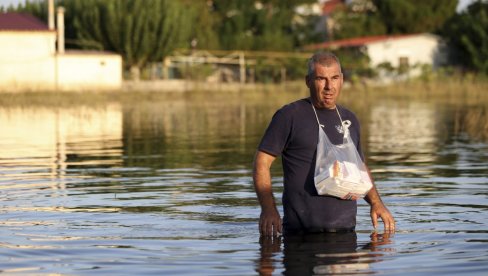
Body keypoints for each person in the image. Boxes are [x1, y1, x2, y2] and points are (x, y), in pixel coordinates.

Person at [253, 52, 395, 236]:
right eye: (321, 79)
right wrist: (268, 209)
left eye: (335, 78)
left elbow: (360, 167)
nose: (329, 86)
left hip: (346, 235)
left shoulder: (349, 119)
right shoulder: (289, 116)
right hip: (301, 235)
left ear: (342, 79)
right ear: (308, 81)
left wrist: (376, 203)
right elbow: (261, 163)